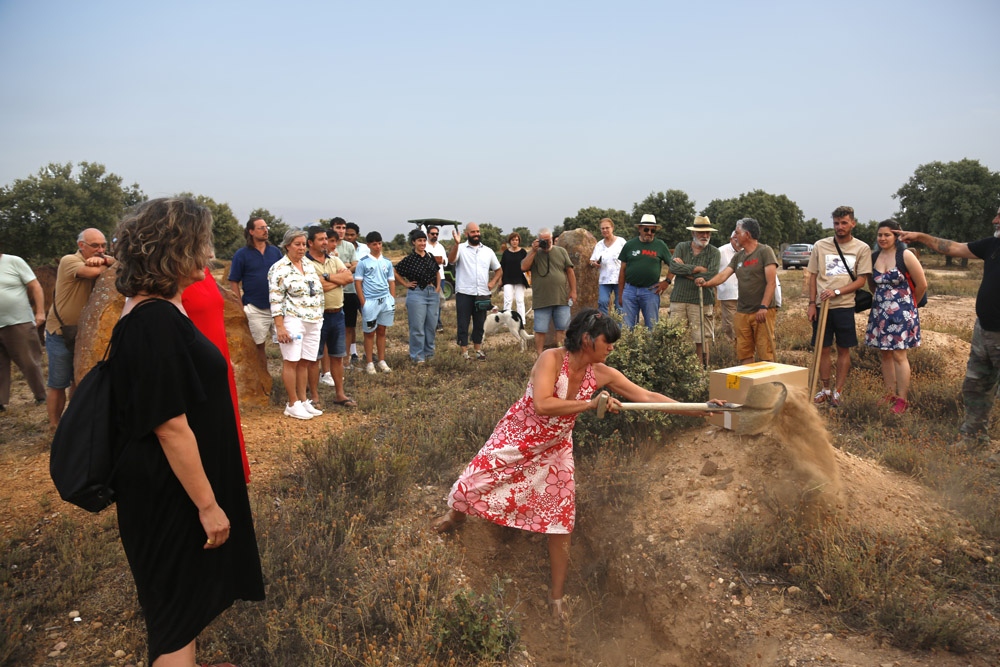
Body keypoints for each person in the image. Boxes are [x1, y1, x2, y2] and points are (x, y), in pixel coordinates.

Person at [432, 309, 724, 619]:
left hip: (556, 447)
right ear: (586, 339)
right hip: (519, 435)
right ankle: (455, 518)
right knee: (469, 486)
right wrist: (591, 404)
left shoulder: (601, 372)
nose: (611, 348)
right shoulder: (550, 359)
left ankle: (556, 598)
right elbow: (543, 404)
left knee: (561, 517)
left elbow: (647, 395)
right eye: (606, 341)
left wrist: (698, 409)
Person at [109, 197, 264, 666]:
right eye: (201, 243)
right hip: (168, 490)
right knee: (174, 611)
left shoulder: (159, 309)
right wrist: (209, 505)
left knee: (186, 593)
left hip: (173, 483)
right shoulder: (152, 322)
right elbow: (170, 427)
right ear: (175, 250)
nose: (209, 254)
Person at [897, 208, 999, 452]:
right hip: (983, 331)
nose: (994, 220)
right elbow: (953, 248)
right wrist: (920, 236)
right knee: (975, 387)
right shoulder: (992, 245)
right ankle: (973, 439)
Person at [181, 265, 252, 483]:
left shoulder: (203, 272)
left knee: (222, 414)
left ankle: (225, 473)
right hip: (190, 359)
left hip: (216, 355)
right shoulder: (171, 278)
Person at [45, 227, 116, 428]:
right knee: (58, 383)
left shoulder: (101, 257)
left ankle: (75, 423)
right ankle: (55, 427)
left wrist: (104, 260)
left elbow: (119, 265)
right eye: (95, 246)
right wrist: (106, 262)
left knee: (80, 380)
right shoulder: (69, 260)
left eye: (103, 246)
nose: (100, 249)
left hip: (84, 333)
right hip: (61, 331)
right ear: (81, 246)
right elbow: (92, 273)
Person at [805, 206, 873, 407]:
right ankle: (825, 389)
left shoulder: (862, 248)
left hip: (844, 306)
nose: (840, 227)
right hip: (821, 306)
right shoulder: (820, 245)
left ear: (852, 223)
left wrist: (837, 292)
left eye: (844, 223)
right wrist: (811, 304)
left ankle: (838, 391)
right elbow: (813, 276)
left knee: (843, 349)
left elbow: (861, 281)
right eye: (836, 223)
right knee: (822, 348)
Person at [864, 219, 926, 414]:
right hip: (880, 312)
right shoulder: (874, 257)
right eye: (880, 235)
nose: (883, 238)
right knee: (884, 354)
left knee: (899, 355)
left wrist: (908, 307)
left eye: (887, 235)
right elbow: (872, 284)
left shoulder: (905, 255)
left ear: (897, 236)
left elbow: (922, 284)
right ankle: (889, 394)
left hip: (902, 313)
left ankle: (902, 399)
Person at [696, 217, 778, 364]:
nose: (734, 236)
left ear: (747, 234)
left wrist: (763, 307)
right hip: (742, 312)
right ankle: (749, 385)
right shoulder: (738, 256)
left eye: (737, 232)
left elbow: (771, 283)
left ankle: (769, 386)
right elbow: (723, 275)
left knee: (765, 352)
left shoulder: (765, 251)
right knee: (744, 352)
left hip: (762, 311)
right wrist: (706, 283)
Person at [268, 229, 324, 420]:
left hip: (313, 319)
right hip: (293, 319)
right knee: (291, 360)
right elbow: (275, 300)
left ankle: (302, 400)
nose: (301, 248)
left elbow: (317, 291)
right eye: (297, 244)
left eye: (303, 244)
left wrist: (319, 316)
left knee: (306, 361)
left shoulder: (308, 265)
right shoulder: (279, 268)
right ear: (287, 246)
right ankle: (292, 403)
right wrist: (280, 326)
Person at [305, 226, 356, 407]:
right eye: (321, 239)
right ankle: (315, 397)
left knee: (337, 356)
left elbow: (349, 278)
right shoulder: (305, 263)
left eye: (326, 239)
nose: (325, 242)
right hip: (317, 316)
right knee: (314, 358)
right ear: (310, 243)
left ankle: (340, 395)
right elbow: (314, 287)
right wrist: (336, 280)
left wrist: (326, 277)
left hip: (337, 314)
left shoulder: (334, 259)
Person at [228, 217, 283, 374]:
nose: (265, 230)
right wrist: (240, 306)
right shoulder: (242, 254)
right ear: (251, 232)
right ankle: (263, 380)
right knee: (257, 346)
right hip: (254, 308)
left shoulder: (275, 252)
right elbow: (233, 281)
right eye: (261, 228)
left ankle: (293, 381)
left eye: (266, 227)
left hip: (277, 307)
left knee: (288, 345)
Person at [669, 216, 721, 365]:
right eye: (701, 233)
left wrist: (684, 270)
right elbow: (673, 268)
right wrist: (697, 270)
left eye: (707, 233)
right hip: (678, 299)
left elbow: (711, 274)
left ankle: (701, 373)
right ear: (693, 233)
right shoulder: (681, 247)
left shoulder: (714, 252)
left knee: (701, 339)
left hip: (702, 300)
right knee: (673, 336)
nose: (705, 236)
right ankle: (674, 370)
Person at [447, 222, 502, 360]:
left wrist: (493, 281)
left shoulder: (488, 251)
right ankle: (464, 352)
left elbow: (499, 270)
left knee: (479, 324)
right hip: (464, 293)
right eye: (473, 232)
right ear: (466, 234)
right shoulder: (460, 248)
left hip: (482, 294)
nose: (476, 234)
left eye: (477, 231)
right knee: (463, 323)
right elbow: (451, 260)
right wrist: (455, 244)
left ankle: (478, 350)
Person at [0, 249, 46, 411]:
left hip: (19, 321)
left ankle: (40, 395)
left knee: (29, 361)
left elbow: (35, 286)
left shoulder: (14, 261)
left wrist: (40, 312)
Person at [522, 228, 576, 354]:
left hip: (561, 298)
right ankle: (540, 355)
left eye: (548, 240)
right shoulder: (534, 253)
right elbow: (524, 267)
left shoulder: (561, 251)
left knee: (562, 328)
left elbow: (570, 271)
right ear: (538, 240)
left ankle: (561, 354)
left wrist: (573, 291)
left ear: (552, 239)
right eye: (543, 240)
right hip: (541, 299)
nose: (546, 243)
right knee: (540, 330)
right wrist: (534, 251)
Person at [617, 214, 672, 329]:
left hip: (651, 291)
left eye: (653, 230)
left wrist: (667, 281)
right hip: (630, 290)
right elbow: (622, 270)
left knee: (652, 327)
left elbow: (673, 265)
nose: (649, 233)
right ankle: (629, 347)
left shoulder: (660, 245)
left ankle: (651, 347)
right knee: (627, 327)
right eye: (646, 229)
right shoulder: (629, 245)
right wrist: (620, 294)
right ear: (640, 229)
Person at [395, 229, 441, 364]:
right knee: (417, 327)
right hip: (417, 294)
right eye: (419, 241)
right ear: (413, 242)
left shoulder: (430, 256)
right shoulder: (409, 260)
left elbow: (437, 272)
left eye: (424, 240)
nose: (422, 243)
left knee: (431, 326)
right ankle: (417, 356)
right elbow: (395, 271)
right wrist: (405, 283)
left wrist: (438, 288)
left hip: (432, 293)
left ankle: (429, 354)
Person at [354, 231, 396, 374]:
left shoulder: (387, 262)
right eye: (374, 244)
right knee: (369, 332)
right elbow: (358, 283)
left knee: (382, 330)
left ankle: (382, 360)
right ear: (368, 245)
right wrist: (363, 302)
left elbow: (391, 281)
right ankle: (370, 362)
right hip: (370, 301)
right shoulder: (363, 262)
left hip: (385, 300)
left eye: (379, 243)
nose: (377, 247)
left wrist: (392, 299)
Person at [343, 222, 369, 365]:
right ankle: (353, 353)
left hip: (365, 290)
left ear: (357, 236)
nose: (348, 237)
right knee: (350, 324)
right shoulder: (340, 248)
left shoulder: (365, 248)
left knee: (368, 321)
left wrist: (351, 266)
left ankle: (367, 352)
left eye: (352, 234)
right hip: (349, 290)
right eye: (347, 234)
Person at [588, 218, 625, 316]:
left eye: (607, 228)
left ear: (612, 228)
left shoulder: (621, 242)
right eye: (602, 228)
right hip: (604, 279)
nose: (604, 230)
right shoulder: (599, 245)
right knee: (602, 302)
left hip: (620, 279)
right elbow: (591, 260)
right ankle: (604, 326)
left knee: (619, 305)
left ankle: (620, 329)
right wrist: (594, 263)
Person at [716, 231, 741, 341]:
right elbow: (714, 271)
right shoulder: (721, 251)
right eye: (736, 239)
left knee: (743, 322)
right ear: (731, 239)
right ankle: (731, 345)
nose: (738, 241)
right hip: (728, 293)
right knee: (730, 323)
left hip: (745, 294)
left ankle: (742, 345)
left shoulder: (747, 251)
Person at [425, 224, 449, 332]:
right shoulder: (424, 246)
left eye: (436, 234)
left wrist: (442, 261)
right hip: (427, 277)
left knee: (439, 301)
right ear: (428, 234)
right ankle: (431, 323)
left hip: (441, 277)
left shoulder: (440, 247)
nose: (435, 235)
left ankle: (437, 323)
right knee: (428, 301)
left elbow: (446, 261)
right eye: (433, 233)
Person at [500, 231, 529, 320]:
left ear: (519, 241)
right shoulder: (506, 253)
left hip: (520, 279)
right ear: (510, 241)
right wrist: (500, 279)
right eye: (513, 240)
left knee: (520, 301)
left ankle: (522, 321)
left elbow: (527, 265)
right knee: (508, 300)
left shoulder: (523, 252)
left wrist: (529, 277)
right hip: (508, 279)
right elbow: (502, 267)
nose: (515, 242)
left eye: (516, 240)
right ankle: (506, 321)